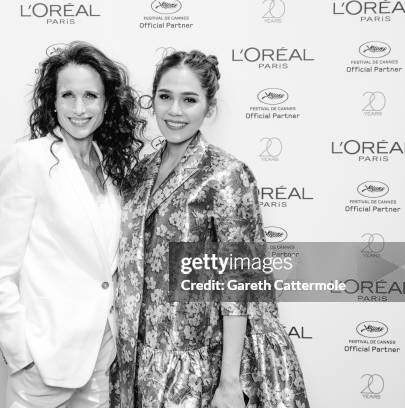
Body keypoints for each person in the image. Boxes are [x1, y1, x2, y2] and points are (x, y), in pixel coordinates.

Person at [112, 50, 310, 408]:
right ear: (152, 99)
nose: (175, 110)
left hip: (192, 370)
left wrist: (230, 383)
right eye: (165, 97)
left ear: (209, 108)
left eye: (189, 100)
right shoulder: (139, 173)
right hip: (133, 365)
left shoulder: (226, 174)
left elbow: (241, 282)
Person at [0, 41, 144, 408]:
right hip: (43, 362)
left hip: (100, 358)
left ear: (106, 103)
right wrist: (22, 356)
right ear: (52, 102)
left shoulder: (109, 168)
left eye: (90, 95)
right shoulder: (28, 160)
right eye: (67, 95)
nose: (79, 108)